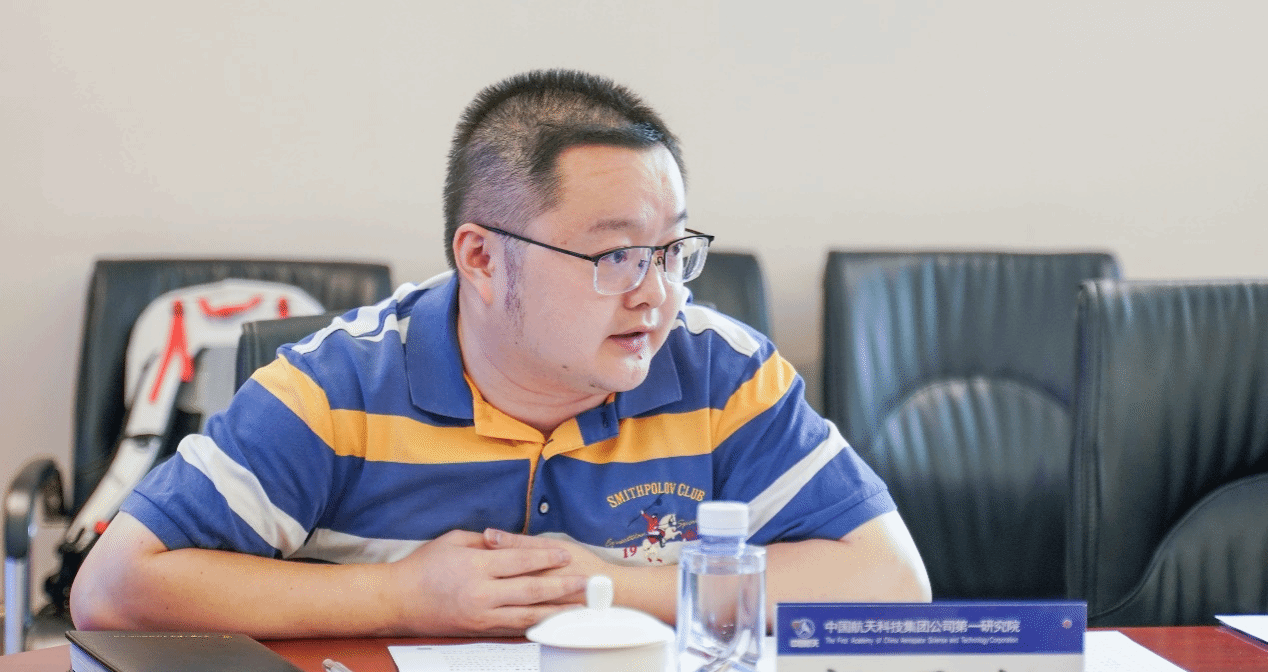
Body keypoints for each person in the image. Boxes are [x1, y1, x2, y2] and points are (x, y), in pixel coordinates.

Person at [71, 69, 930, 639]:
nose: (657, 294)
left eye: (672, 251)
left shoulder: (719, 371)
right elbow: (110, 590)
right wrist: (398, 595)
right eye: (616, 255)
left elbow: (891, 580)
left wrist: (605, 587)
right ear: (481, 258)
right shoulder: (338, 385)